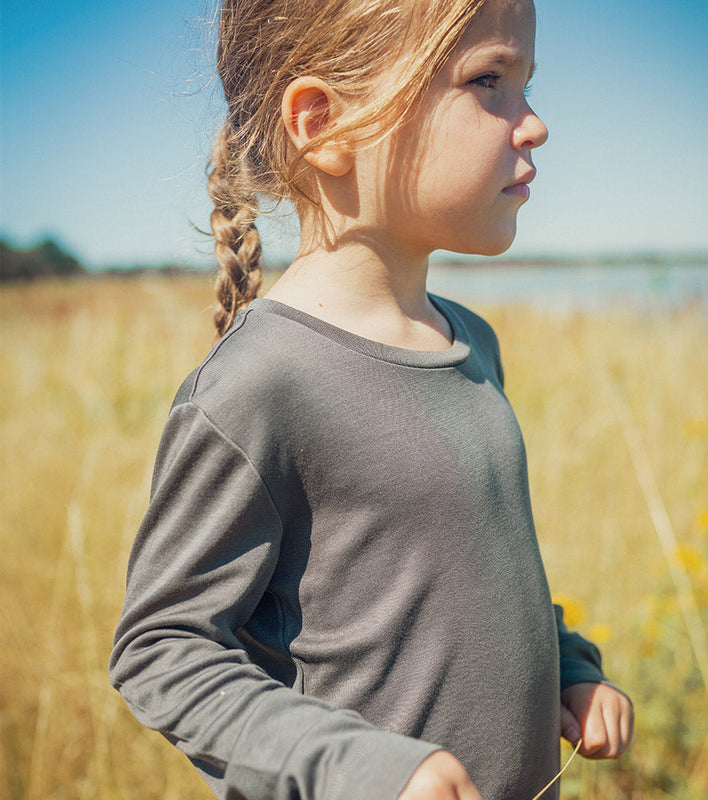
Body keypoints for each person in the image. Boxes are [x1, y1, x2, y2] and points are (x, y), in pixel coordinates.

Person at [109, 0, 634, 798]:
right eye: (488, 80)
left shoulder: (473, 343)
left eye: (526, 83)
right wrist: (359, 766)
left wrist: (569, 668)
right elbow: (162, 648)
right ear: (325, 122)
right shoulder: (262, 382)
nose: (533, 125)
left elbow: (472, 576)